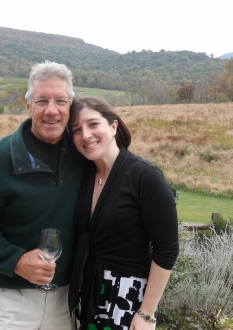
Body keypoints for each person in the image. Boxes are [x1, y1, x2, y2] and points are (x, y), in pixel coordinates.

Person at [0, 61, 87, 330]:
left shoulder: (84, 155)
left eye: (60, 100)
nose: (52, 110)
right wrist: (15, 261)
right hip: (8, 303)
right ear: (28, 105)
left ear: (71, 105)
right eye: (42, 101)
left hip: (66, 301)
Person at [67, 97, 179, 330]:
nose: (86, 135)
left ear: (114, 126)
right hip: (88, 292)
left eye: (93, 124)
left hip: (127, 299)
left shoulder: (145, 177)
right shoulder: (84, 176)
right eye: (77, 129)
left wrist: (147, 313)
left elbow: (166, 248)